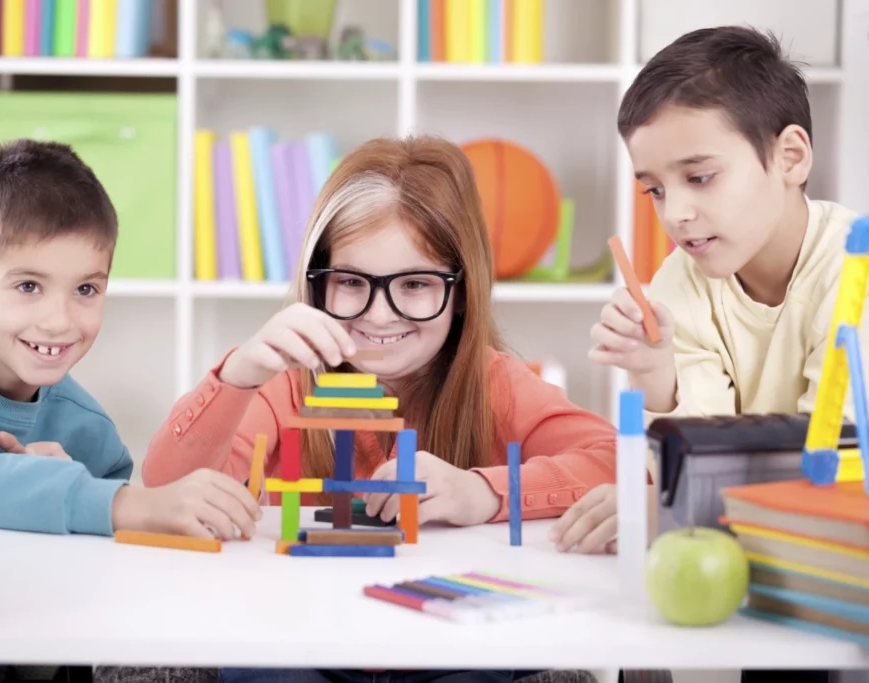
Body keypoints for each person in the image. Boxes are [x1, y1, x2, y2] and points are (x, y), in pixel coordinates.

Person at [143, 134, 618, 683]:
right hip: (299, 639)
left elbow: (615, 459)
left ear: (462, 291)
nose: (380, 314)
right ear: (316, 285)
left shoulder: (494, 384)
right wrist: (238, 375)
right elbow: (167, 493)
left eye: (415, 284)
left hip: (449, 645)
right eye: (350, 282)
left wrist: (480, 491)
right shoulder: (284, 385)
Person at [0, 139, 259, 683]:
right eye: (28, 286)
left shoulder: (92, 435)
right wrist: (119, 503)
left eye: (86, 288)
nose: (60, 321)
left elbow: (93, 587)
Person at [556, 25, 851, 683]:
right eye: (656, 189)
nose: (676, 213)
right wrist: (657, 376)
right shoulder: (676, 283)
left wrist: (670, 493)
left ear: (791, 156)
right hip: (737, 558)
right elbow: (703, 442)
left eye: (700, 176)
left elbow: (827, 456)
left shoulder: (852, 270)